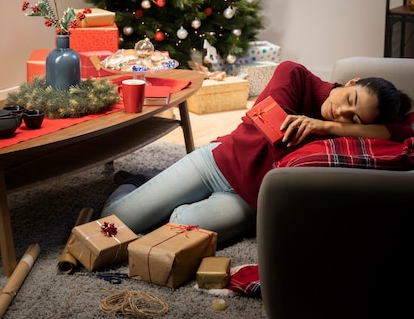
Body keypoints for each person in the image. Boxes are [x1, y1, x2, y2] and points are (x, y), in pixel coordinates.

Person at [101, 60, 413, 245]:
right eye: (351, 98)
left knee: (176, 230)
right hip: (217, 162)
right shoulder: (294, 75)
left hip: (247, 200)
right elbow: (270, 131)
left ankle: (166, 192)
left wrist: (328, 127)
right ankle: (133, 181)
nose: (341, 111)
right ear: (353, 81)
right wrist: (333, 129)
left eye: (354, 119)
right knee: (113, 223)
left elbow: (402, 132)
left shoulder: (333, 126)